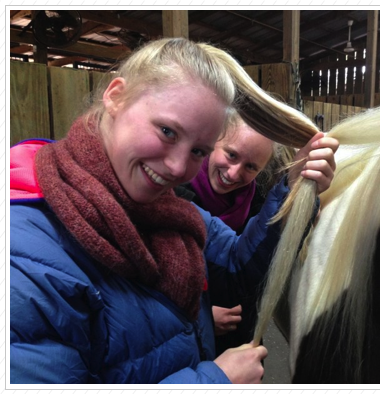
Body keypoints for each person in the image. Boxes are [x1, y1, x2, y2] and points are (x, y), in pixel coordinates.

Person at [9, 37, 338, 384]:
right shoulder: (26, 256)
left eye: (198, 150)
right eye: (167, 131)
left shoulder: (171, 210)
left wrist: (294, 187)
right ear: (116, 95)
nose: (178, 167)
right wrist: (214, 380)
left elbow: (239, 267)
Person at [175, 112, 297, 356]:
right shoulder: (175, 194)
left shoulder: (259, 205)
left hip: (241, 336)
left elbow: (257, 270)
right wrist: (201, 317)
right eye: (231, 154)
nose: (233, 173)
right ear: (214, 141)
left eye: (251, 166)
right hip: (188, 348)